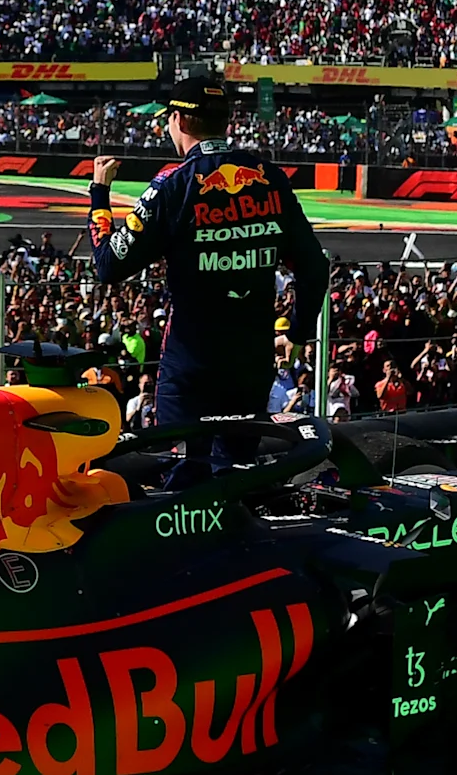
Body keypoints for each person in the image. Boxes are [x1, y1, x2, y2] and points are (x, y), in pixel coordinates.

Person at [89, 76, 330, 484]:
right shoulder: (269, 176)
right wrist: (298, 331)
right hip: (251, 361)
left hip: (191, 364)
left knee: (184, 478)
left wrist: (99, 193)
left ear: (179, 120)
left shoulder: (175, 184)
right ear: (227, 121)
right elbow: (314, 268)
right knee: (237, 475)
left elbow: (108, 265)